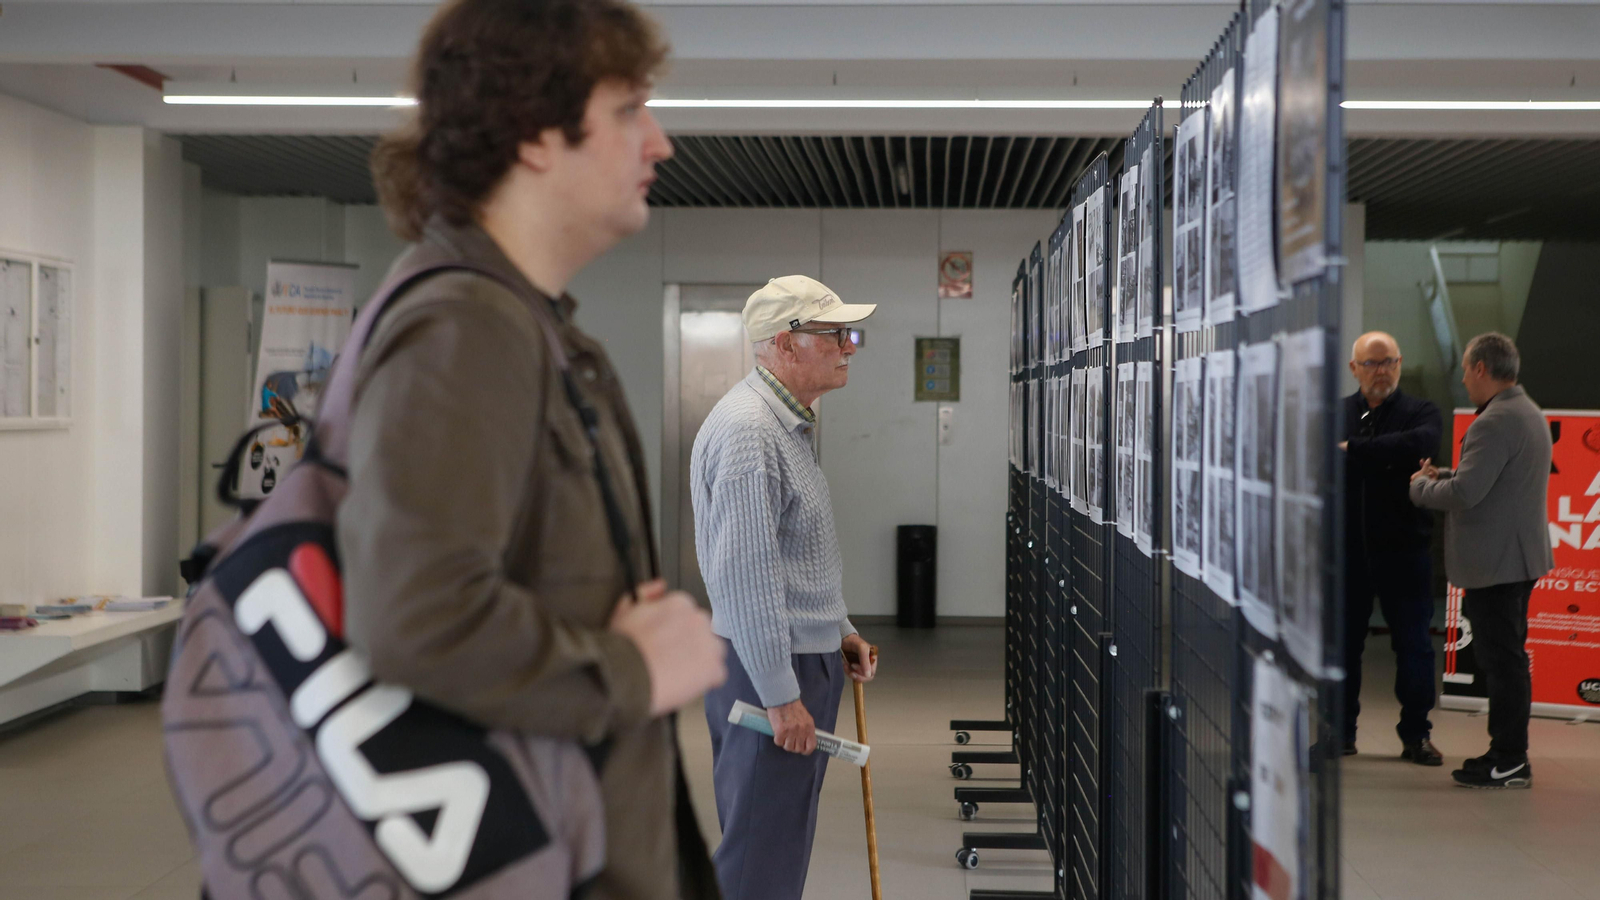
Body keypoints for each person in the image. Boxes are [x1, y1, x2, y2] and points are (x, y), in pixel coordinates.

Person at [346, 0, 728, 896]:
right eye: (630, 110)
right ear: (533, 134)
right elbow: (418, 615)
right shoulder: (465, 326)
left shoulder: (519, 320)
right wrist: (635, 669)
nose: (659, 142)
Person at [690, 275, 881, 900]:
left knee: (774, 837)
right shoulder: (751, 432)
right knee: (760, 853)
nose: (850, 347)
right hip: (771, 668)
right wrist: (779, 695)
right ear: (785, 343)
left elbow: (795, 552)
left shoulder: (786, 423)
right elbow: (746, 578)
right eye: (837, 335)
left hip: (797, 655)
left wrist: (839, 627)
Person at [1410, 332, 1552, 789]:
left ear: (1479, 369)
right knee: (1506, 659)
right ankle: (1506, 752)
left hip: (1498, 563)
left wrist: (1420, 487)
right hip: (1515, 558)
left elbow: (1467, 493)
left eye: (1466, 371)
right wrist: (1448, 475)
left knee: (1504, 662)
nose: (1465, 381)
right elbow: (1493, 481)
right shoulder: (1524, 410)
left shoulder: (1495, 421)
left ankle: (1510, 758)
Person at [1338, 332, 1443, 764]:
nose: (1382, 371)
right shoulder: (1336, 413)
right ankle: (1339, 731)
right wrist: (1386, 458)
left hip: (1404, 550)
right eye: (1372, 363)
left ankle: (1416, 734)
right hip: (1345, 553)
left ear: (1400, 363)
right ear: (1354, 368)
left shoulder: (1422, 411)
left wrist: (1354, 450)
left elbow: (1419, 446)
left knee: (1415, 646)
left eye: (1390, 362)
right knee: (1341, 646)